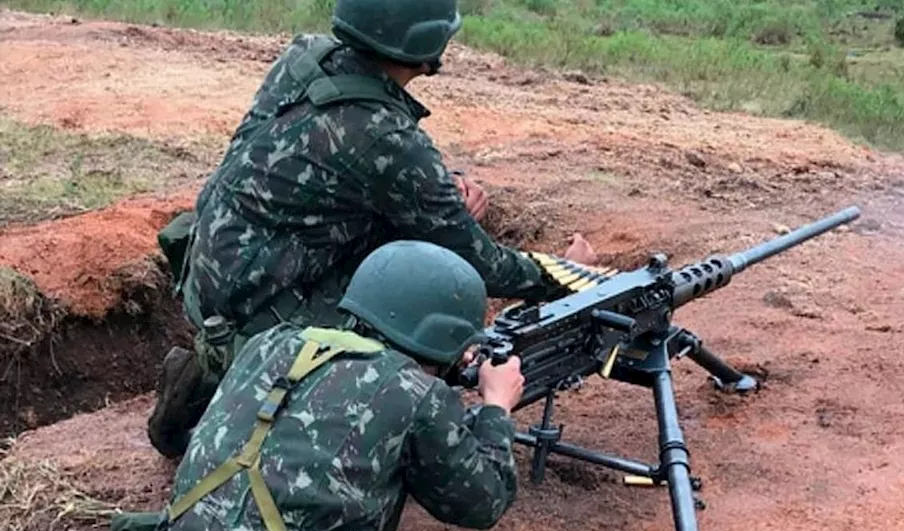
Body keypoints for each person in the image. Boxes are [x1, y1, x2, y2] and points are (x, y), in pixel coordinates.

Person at [147, 0, 595, 458]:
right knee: (414, 310)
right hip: (256, 307)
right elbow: (480, 262)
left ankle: (215, 369)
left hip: (206, 268)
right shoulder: (386, 138)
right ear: (426, 43)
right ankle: (234, 381)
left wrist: (440, 188)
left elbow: (347, 170)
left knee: (401, 252)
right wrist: (561, 274)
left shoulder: (307, 57)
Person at [123, 241, 526, 531]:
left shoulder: (267, 344)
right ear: (445, 340)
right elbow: (483, 500)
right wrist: (497, 408)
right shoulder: (415, 393)